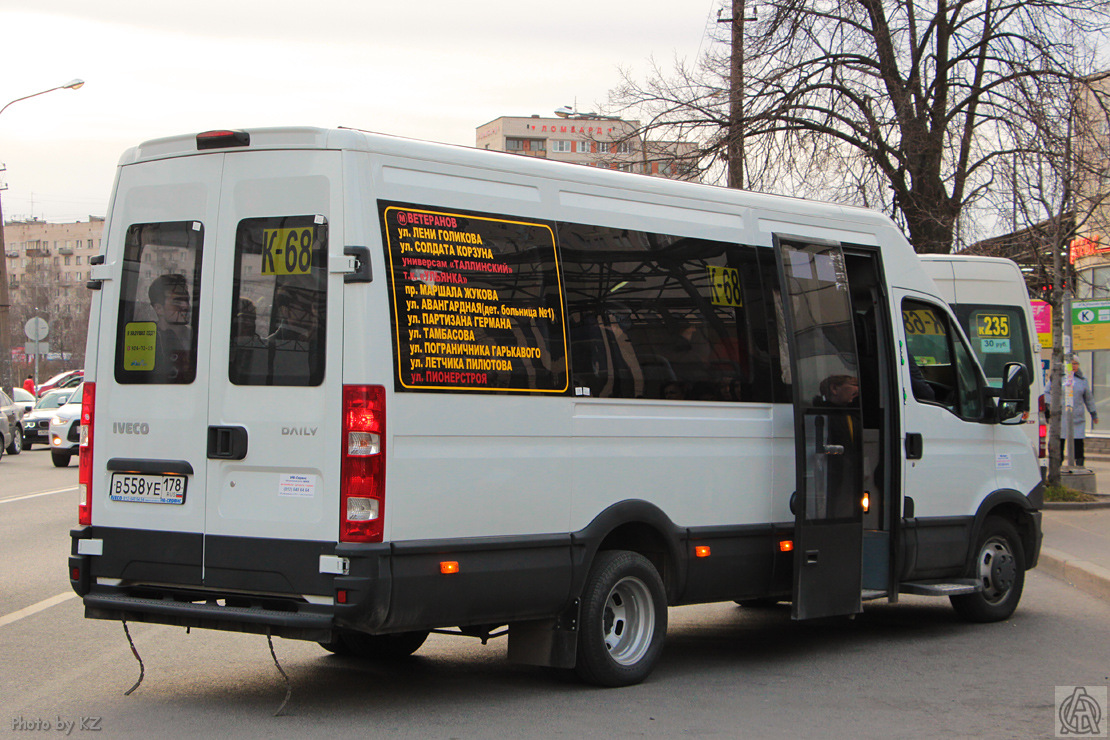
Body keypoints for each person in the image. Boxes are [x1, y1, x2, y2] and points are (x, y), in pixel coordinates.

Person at [1050, 358, 1099, 467]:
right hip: (1061, 416)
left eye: (1076, 364)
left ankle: (1079, 463)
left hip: (1077, 416)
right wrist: (1049, 408)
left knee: (1078, 442)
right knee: (1060, 441)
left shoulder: (1082, 380)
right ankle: (1058, 465)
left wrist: (1093, 414)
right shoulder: (1059, 378)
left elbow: (1088, 398)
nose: (1074, 366)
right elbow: (1048, 392)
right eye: (1072, 364)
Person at [148, 274, 192, 380]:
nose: (186, 306)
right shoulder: (148, 338)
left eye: (187, 300)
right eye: (177, 301)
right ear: (158, 308)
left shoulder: (197, 337)